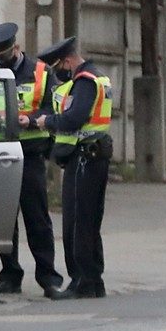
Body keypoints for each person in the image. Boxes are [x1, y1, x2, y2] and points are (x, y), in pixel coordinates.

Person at [0, 22, 65, 298]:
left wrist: (32, 119)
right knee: (5, 220)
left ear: (16, 48)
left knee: (37, 218)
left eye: (4, 56)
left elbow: (54, 107)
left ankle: (48, 278)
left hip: (30, 155)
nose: (0, 61)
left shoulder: (40, 72)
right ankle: (10, 276)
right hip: (0, 154)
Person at [35, 36, 113, 300]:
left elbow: (75, 117)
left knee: (77, 222)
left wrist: (49, 121)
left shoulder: (85, 81)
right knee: (89, 222)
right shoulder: (96, 76)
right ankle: (93, 281)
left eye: (58, 67)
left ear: (67, 61)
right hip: (92, 157)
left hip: (85, 159)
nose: (58, 73)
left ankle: (80, 280)